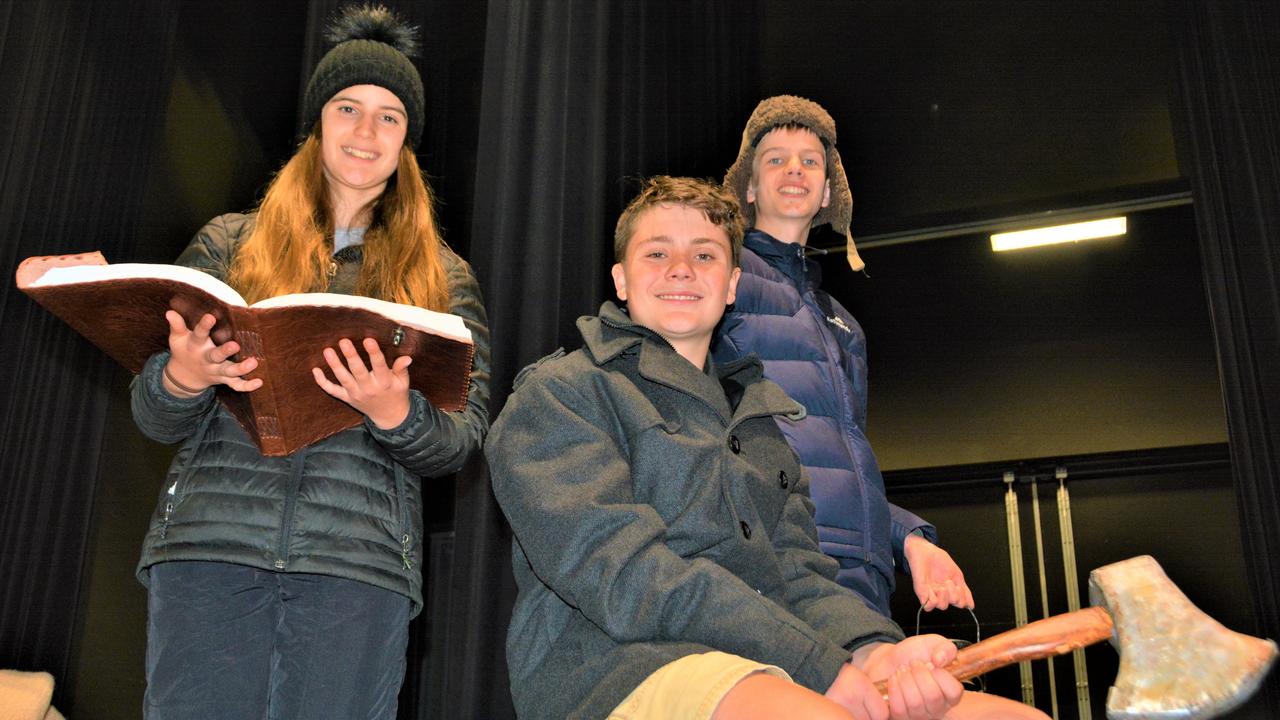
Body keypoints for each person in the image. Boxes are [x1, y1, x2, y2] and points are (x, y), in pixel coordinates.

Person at [487, 176, 965, 720]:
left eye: (705, 254)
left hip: (768, 665)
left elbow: (799, 576)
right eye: (657, 252)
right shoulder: (559, 394)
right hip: (618, 671)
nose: (681, 268)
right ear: (620, 279)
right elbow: (626, 573)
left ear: (733, 284)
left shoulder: (763, 425)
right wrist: (815, 662)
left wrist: (875, 651)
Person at [129, 6, 490, 719]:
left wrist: (396, 413)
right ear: (317, 124)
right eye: (348, 108)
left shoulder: (444, 277)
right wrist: (183, 378)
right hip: (209, 547)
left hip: (356, 567)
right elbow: (150, 410)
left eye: (389, 118)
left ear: (406, 144)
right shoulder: (230, 244)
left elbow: (464, 434)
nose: (366, 132)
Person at [714, 96, 1047, 718]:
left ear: (827, 193)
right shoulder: (723, 280)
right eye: (776, 159)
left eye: (810, 162)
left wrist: (910, 539)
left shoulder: (843, 324)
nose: (794, 170)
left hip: (862, 578)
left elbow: (844, 460)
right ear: (749, 187)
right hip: (784, 570)